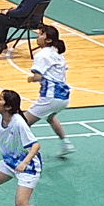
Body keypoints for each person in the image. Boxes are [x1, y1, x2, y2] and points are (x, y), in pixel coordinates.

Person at [25, 25, 75, 157]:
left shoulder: (41, 55)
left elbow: (38, 76)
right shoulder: (58, 55)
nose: (38, 36)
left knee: (22, 123)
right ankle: (66, 143)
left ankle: (26, 150)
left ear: (48, 40)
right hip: (63, 98)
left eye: (41, 34)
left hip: (51, 97)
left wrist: (31, 79)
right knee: (50, 117)